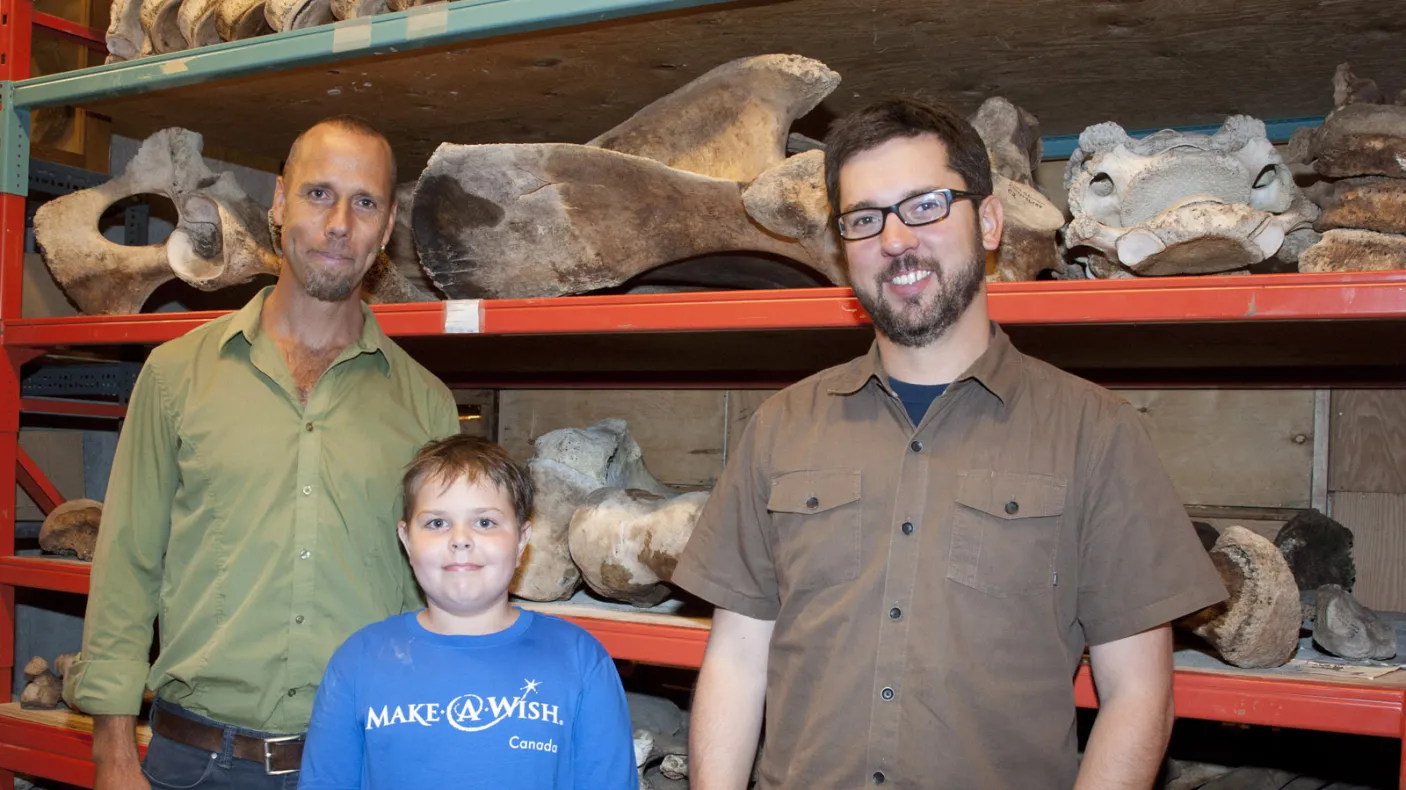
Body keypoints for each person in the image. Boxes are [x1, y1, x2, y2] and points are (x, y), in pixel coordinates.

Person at [672, 97, 1229, 790]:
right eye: (865, 218)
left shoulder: (1096, 433)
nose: (897, 240)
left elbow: (1139, 695)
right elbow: (737, 657)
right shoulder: (781, 427)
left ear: (989, 221)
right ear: (844, 247)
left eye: (926, 205)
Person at [63, 115, 461, 789]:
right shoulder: (176, 375)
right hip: (196, 764)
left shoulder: (427, 407)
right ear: (278, 202)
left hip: (360, 764)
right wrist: (113, 749)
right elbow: (128, 562)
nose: (339, 223)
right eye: (318, 194)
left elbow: (441, 606)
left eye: (364, 203)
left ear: (388, 225)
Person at [297, 434, 637, 789]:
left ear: (522, 541)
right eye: (437, 523)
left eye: (485, 522)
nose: (460, 539)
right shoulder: (357, 661)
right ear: (406, 540)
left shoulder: (580, 660)